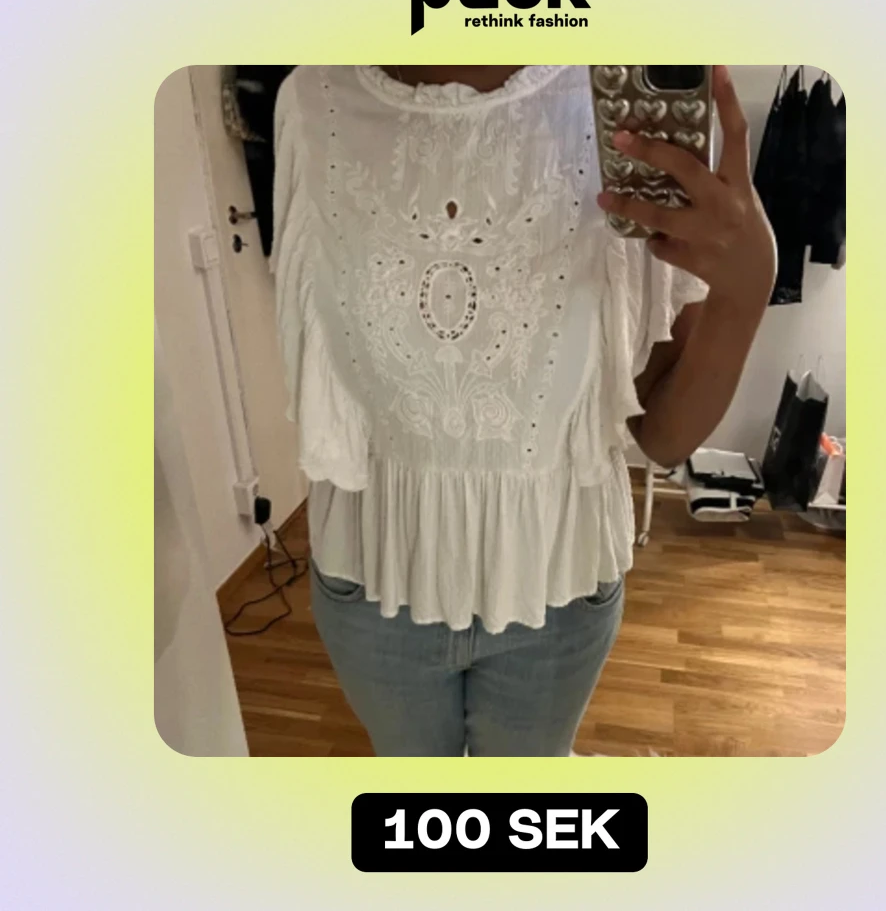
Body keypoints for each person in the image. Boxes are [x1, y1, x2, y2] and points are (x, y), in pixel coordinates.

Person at [270, 64, 776, 756]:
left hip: (557, 587)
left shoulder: (625, 117)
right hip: (375, 576)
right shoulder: (313, 104)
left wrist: (746, 292)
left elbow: (661, 436)